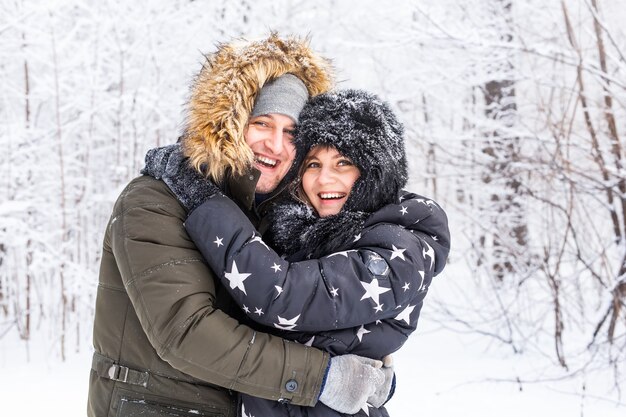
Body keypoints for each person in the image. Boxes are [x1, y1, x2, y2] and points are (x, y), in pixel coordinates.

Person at [88, 34, 389, 417]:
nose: (275, 145)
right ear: (226, 124)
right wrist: (325, 378)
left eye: (292, 132)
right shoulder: (153, 201)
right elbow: (185, 331)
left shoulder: (287, 212)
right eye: (262, 123)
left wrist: (370, 363)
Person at [152, 89, 451, 416]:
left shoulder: (399, 247)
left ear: (375, 171)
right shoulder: (316, 235)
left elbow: (282, 296)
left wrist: (201, 198)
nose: (324, 179)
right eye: (312, 163)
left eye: (344, 162)